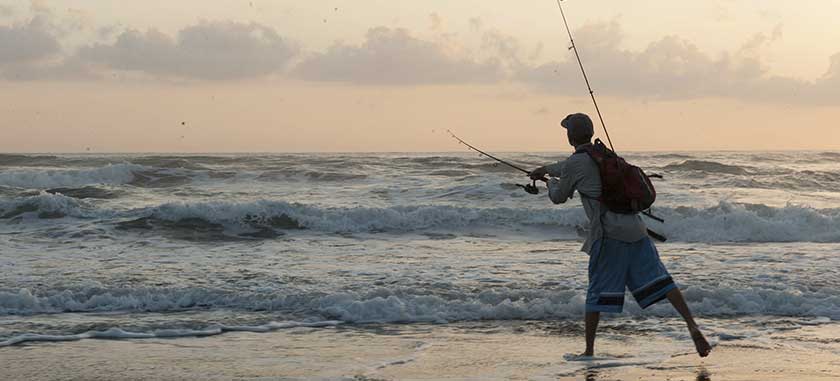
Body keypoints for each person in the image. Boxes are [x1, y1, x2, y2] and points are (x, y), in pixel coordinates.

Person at [529, 113, 711, 358]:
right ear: (590, 133)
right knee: (663, 280)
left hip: (607, 234)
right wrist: (546, 170)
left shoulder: (577, 162)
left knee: (595, 290)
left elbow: (558, 196)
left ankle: (589, 350)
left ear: (571, 136)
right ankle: (692, 325)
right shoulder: (604, 154)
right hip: (636, 228)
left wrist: (547, 182)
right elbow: (569, 167)